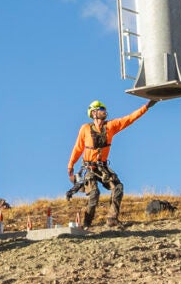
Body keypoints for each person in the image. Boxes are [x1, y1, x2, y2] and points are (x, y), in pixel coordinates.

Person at [65, 98, 154, 228]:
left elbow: (129, 119)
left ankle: (112, 218)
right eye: (101, 109)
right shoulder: (85, 129)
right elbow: (78, 148)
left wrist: (146, 106)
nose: (104, 112)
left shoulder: (111, 126)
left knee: (118, 188)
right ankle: (86, 224)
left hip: (103, 168)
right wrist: (70, 166)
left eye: (104, 110)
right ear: (93, 113)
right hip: (89, 168)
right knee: (94, 194)